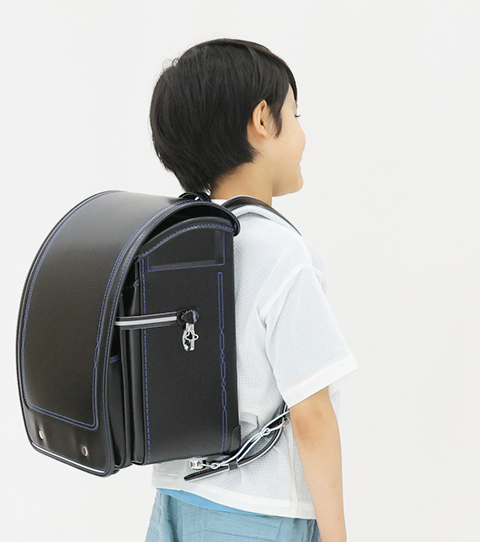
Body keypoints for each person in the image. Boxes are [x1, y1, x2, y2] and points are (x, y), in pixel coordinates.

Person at [145, 39, 359, 542]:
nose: (302, 133)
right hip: (261, 515)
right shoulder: (282, 253)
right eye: (295, 115)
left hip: (174, 501)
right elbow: (312, 415)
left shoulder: (171, 243)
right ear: (263, 119)